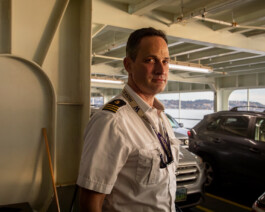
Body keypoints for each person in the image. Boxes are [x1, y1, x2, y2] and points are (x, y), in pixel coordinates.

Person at [77, 27, 181, 212]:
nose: (160, 69)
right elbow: (90, 202)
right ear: (128, 65)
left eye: (165, 61)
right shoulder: (112, 121)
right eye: (150, 60)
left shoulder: (161, 118)